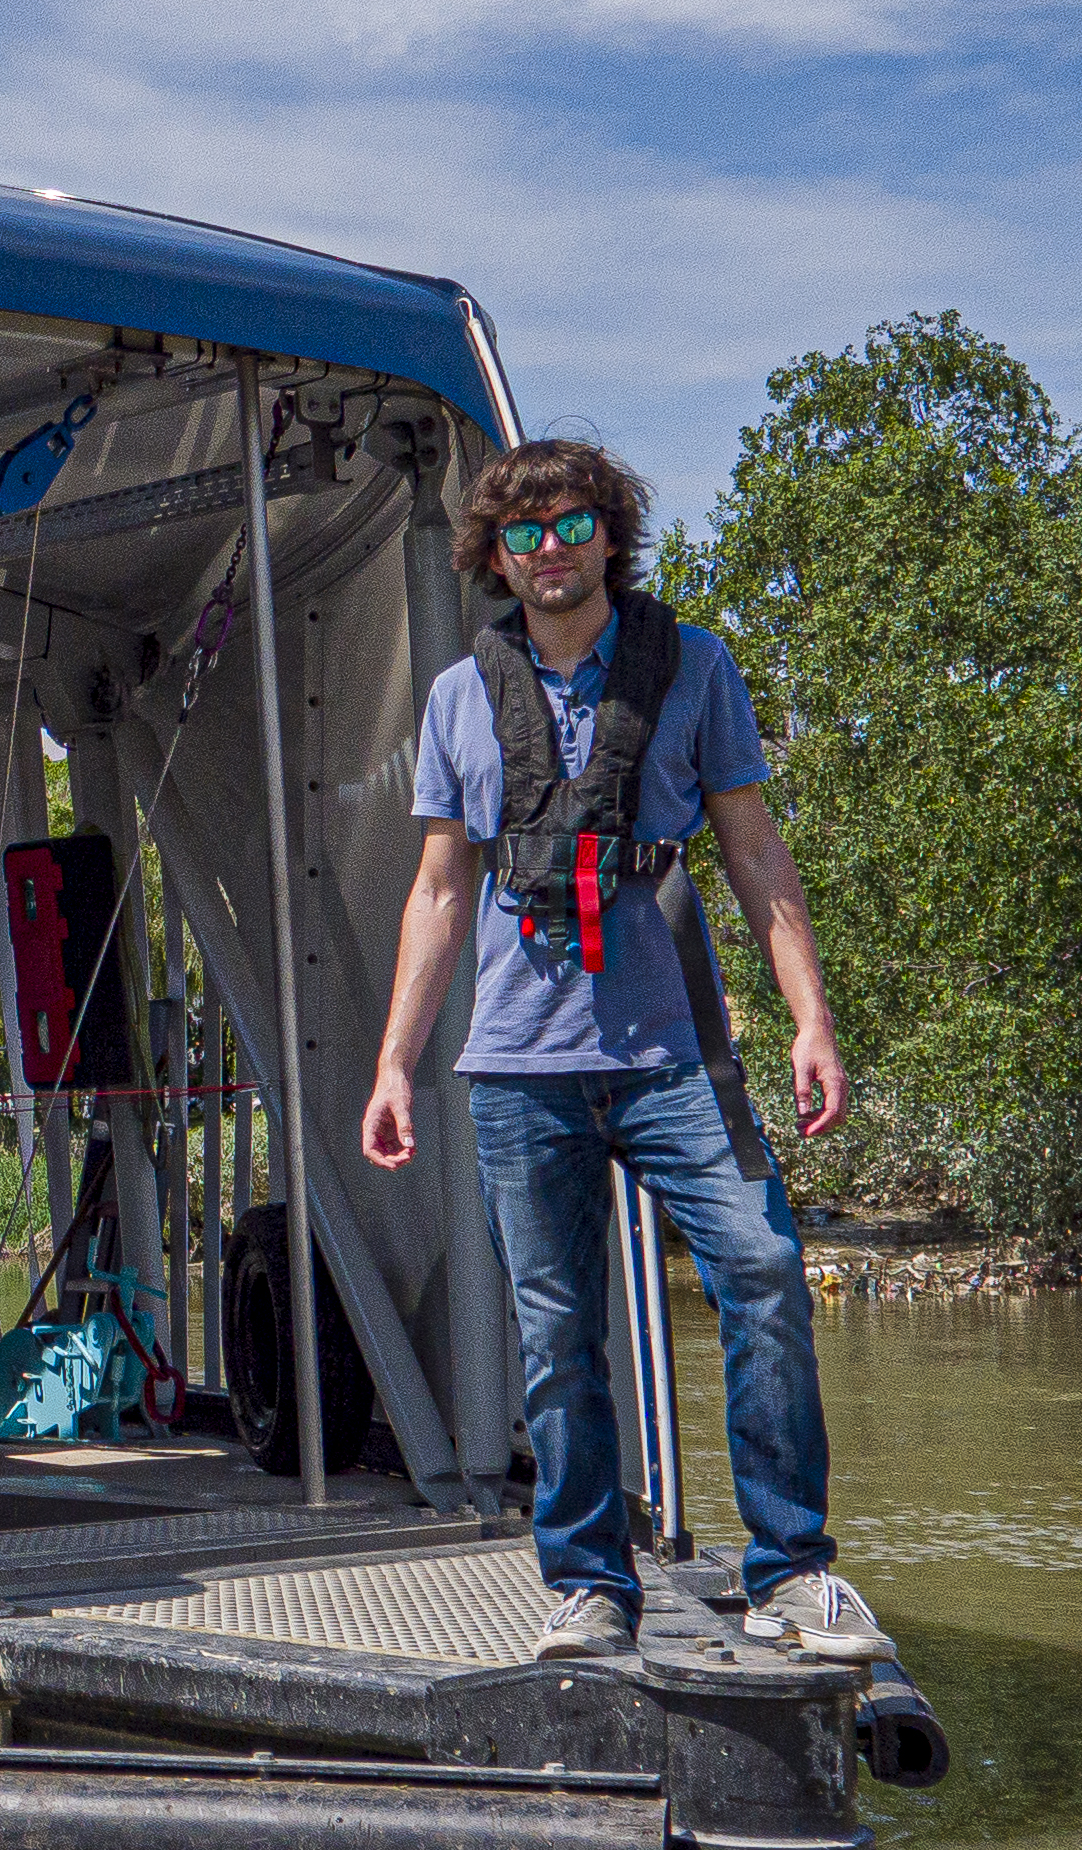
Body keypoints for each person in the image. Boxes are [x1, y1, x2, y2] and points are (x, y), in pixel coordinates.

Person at [356, 439, 889, 1667]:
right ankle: (590, 1584)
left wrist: (811, 1018)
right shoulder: (457, 697)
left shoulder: (694, 668)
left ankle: (793, 1574)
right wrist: (394, 1064)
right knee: (556, 1332)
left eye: (571, 523)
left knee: (760, 1268)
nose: (549, 548)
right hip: (517, 1063)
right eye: (523, 532)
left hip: (667, 1054)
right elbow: (439, 893)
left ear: (611, 534)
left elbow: (755, 853)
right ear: (494, 556)